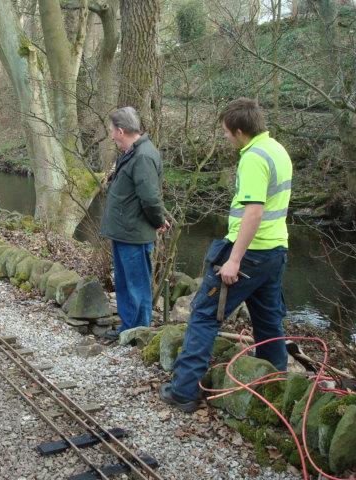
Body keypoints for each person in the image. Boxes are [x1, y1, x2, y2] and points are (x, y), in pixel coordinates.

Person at [160, 98, 292, 413]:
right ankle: (277, 390)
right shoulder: (277, 149)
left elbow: (254, 213)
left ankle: (184, 391)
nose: (224, 137)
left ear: (238, 130)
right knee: (268, 320)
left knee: (205, 314)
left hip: (249, 254)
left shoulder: (253, 158)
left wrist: (233, 260)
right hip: (275, 250)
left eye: (225, 132)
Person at [99, 107, 170, 340]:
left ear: (121, 131)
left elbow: (150, 197)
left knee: (137, 286)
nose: (110, 136)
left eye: (112, 131)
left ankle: (139, 334)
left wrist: (159, 221)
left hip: (135, 235)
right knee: (125, 284)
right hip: (124, 232)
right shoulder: (132, 152)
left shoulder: (143, 156)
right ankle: (127, 330)